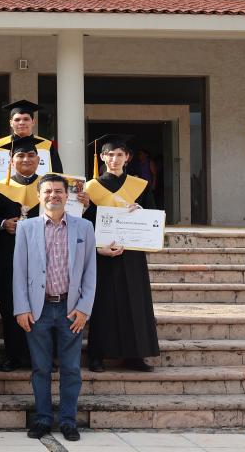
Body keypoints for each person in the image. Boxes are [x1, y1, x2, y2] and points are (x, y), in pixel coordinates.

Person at [13, 173, 97, 442]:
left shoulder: (84, 227)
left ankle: (68, 421)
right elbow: (19, 271)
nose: (53, 195)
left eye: (58, 191)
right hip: (38, 309)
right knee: (40, 368)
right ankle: (42, 419)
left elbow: (90, 272)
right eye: (47, 191)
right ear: (39, 196)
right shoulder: (27, 228)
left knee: (71, 369)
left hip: (70, 310)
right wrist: (21, 308)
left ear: (67, 194)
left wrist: (84, 308)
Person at [83, 135, 159, 373]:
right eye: (109, 154)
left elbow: (154, 218)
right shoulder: (90, 189)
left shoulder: (140, 186)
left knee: (134, 302)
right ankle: (97, 355)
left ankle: (135, 355)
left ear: (127, 158)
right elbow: (84, 223)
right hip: (102, 253)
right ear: (102, 157)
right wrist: (84, 207)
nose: (114, 159)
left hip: (132, 253)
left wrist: (142, 212)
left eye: (119, 154)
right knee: (102, 304)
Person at [0, 135, 44, 372]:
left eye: (30, 155)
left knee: (42, 304)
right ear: (10, 160)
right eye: (20, 155)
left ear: (38, 160)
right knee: (11, 304)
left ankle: (42, 356)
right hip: (9, 254)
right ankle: (13, 355)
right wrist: (2, 224)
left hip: (43, 255)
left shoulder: (48, 186)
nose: (26, 159)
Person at [0, 99, 63, 183]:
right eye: (17, 120)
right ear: (11, 123)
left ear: (33, 122)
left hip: (38, 194)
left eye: (26, 119)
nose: (21, 123)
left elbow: (57, 176)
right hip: (3, 194)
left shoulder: (47, 146)